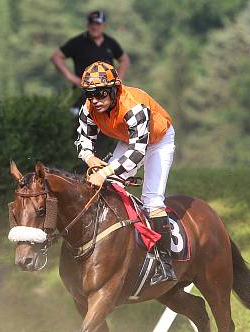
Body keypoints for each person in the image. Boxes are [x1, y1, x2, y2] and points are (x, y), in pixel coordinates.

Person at [75, 61, 177, 285]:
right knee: (107, 186)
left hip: (157, 141)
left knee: (152, 200)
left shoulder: (133, 106)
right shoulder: (89, 107)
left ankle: (164, 263)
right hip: (130, 139)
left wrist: (104, 172)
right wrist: (91, 159)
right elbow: (83, 140)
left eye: (100, 93)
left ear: (114, 89)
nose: (95, 100)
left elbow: (138, 153)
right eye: (89, 94)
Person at [51, 10, 130, 110]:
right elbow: (56, 57)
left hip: (106, 95)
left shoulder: (110, 43)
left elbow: (125, 60)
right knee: (80, 121)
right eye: (92, 23)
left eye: (98, 23)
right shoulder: (78, 42)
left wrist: (117, 80)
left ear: (104, 25)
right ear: (88, 25)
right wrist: (72, 78)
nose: (95, 27)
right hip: (83, 94)